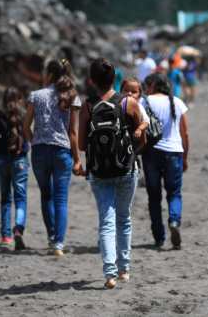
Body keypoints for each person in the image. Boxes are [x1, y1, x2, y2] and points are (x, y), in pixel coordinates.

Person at [79, 58, 145, 289]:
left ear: (91, 81)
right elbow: (141, 140)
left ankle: (109, 274)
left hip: (98, 171)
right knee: (124, 218)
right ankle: (124, 269)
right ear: (115, 78)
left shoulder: (87, 106)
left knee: (106, 221)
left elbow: (81, 143)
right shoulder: (128, 103)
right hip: (126, 168)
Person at [23, 59, 83, 257]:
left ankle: (51, 237)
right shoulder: (71, 96)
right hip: (62, 151)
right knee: (61, 199)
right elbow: (73, 133)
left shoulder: (36, 95)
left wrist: (34, 142)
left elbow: (25, 127)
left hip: (40, 150)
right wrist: (77, 159)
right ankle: (58, 243)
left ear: (48, 74)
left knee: (45, 195)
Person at [141, 73, 189, 250]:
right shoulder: (176, 101)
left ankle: (159, 237)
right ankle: (174, 220)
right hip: (174, 151)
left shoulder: (145, 102)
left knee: (154, 197)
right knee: (174, 193)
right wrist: (185, 157)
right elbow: (185, 133)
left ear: (152, 85)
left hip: (152, 152)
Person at [0, 87, 30, 251]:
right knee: (21, 199)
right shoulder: (24, 117)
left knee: (5, 199)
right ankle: (18, 229)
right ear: (20, 100)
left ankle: (5, 237)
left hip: (1, 161)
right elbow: (30, 138)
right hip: (20, 162)